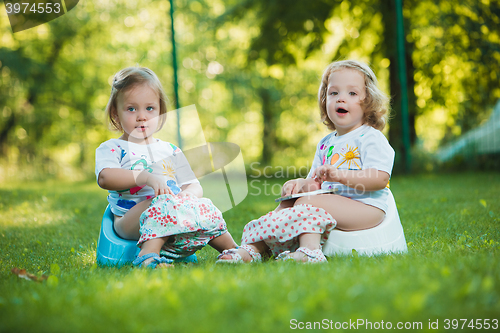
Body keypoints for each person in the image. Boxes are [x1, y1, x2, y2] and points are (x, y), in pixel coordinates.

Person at [217, 60, 394, 263]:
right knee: (291, 200)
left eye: (352, 93)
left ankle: (310, 252)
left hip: (366, 208)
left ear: (369, 101)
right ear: (324, 99)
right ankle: (254, 248)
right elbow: (315, 184)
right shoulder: (326, 143)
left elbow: (379, 179)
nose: (341, 99)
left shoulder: (371, 138)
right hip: (332, 203)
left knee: (307, 202)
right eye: (333, 93)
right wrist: (299, 184)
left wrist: (339, 176)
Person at [95, 67, 237, 268]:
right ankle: (148, 256)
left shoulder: (170, 150)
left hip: (172, 212)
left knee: (205, 205)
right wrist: (145, 177)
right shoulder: (113, 148)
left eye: (150, 108)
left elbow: (194, 185)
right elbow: (106, 178)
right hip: (129, 222)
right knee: (161, 203)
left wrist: (188, 196)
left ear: (160, 112)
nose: (142, 116)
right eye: (131, 109)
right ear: (115, 113)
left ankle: (233, 250)